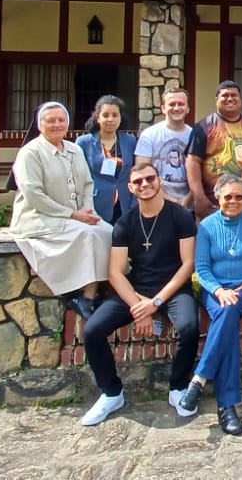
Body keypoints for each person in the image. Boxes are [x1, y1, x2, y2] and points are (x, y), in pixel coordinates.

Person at [78, 161, 200, 426]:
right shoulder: (125, 222)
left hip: (174, 288)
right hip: (137, 289)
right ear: (131, 188)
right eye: (139, 182)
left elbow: (188, 263)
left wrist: (156, 302)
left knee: (190, 327)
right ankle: (111, 393)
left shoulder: (180, 216)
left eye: (150, 179)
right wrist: (138, 307)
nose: (145, 184)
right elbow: (116, 272)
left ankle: (178, 388)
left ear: (159, 181)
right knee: (93, 331)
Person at [176, 175, 242, 435]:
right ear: (218, 198)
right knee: (226, 313)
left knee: (229, 311)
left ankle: (199, 380)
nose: (233, 201)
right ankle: (226, 406)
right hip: (215, 290)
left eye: (239, 197)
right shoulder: (208, 226)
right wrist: (219, 290)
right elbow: (202, 268)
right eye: (228, 197)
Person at [10, 101, 114, 321]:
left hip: (77, 216)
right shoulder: (30, 153)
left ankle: (97, 293)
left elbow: (87, 183)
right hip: (39, 218)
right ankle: (83, 296)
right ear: (40, 125)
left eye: (61, 120)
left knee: (110, 232)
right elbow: (34, 195)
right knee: (88, 235)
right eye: (51, 121)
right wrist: (73, 215)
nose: (57, 124)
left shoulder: (74, 149)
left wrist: (88, 210)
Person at [186, 81, 242, 217]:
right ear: (217, 100)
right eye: (225, 95)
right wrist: (199, 197)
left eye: (234, 95)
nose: (230, 98)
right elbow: (192, 161)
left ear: (241, 99)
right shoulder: (204, 127)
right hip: (214, 202)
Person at [76, 96, 138, 223]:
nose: (110, 119)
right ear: (98, 118)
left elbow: (134, 172)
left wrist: (134, 203)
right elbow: (78, 176)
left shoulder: (130, 141)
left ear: (120, 118)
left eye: (115, 115)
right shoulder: (84, 142)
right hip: (95, 204)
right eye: (105, 115)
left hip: (125, 204)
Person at [135, 88, 197, 208]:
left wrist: (186, 201)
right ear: (163, 108)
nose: (177, 108)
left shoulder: (196, 136)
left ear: (188, 108)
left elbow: (201, 175)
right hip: (156, 204)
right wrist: (169, 200)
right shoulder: (149, 135)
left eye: (181, 104)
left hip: (189, 206)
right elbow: (141, 172)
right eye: (172, 104)